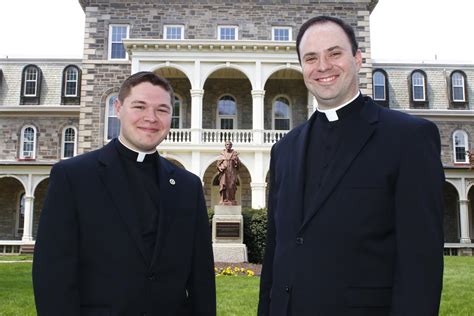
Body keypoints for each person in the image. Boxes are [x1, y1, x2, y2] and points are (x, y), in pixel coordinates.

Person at [258, 16, 444, 316]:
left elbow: (420, 263)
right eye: (311, 58)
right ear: (302, 68)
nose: (323, 66)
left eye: (334, 53)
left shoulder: (408, 138)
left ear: (358, 59)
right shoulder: (284, 149)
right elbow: (276, 254)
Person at [33, 72, 216, 316]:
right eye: (139, 106)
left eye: (162, 109)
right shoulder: (73, 177)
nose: (150, 118)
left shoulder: (188, 186)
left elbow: (201, 279)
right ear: (118, 108)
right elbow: (53, 274)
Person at [216, 141, 240, 205]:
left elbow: (238, 165)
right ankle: (223, 199)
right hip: (224, 173)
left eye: (229, 144)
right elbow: (218, 164)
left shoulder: (234, 154)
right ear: (225, 145)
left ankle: (231, 199)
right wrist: (221, 167)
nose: (228, 145)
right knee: (224, 186)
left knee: (232, 186)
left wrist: (236, 162)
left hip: (232, 172)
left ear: (231, 146)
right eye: (227, 144)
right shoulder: (222, 154)